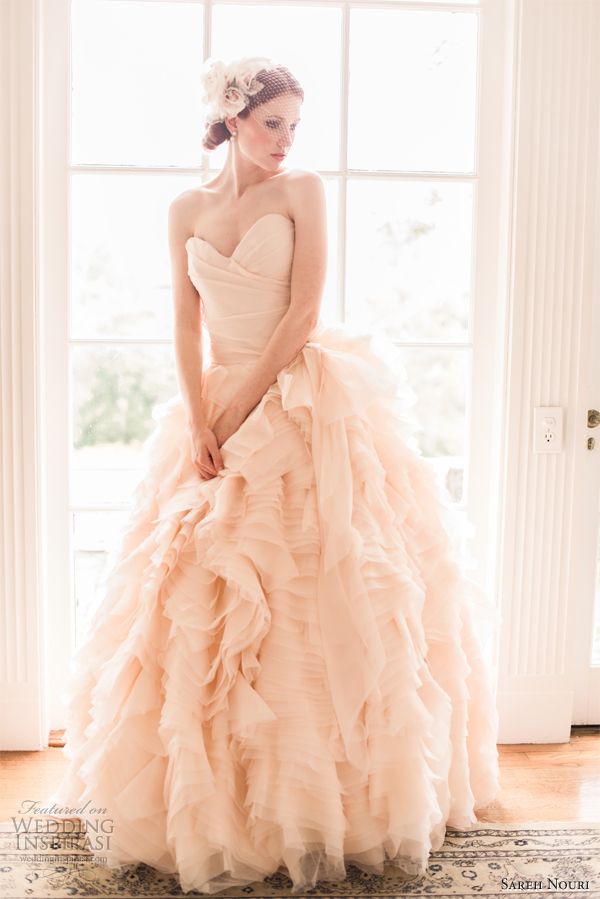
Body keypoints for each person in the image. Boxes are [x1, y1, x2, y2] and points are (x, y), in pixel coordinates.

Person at [47, 55, 501, 895]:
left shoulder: (303, 192)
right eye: (272, 124)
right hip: (214, 403)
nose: (286, 141)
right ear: (231, 121)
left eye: (295, 124)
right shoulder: (185, 208)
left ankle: (328, 803)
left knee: (321, 581)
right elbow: (183, 327)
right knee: (194, 596)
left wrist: (237, 414)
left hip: (293, 396)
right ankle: (222, 804)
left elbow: (302, 314)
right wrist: (196, 419)